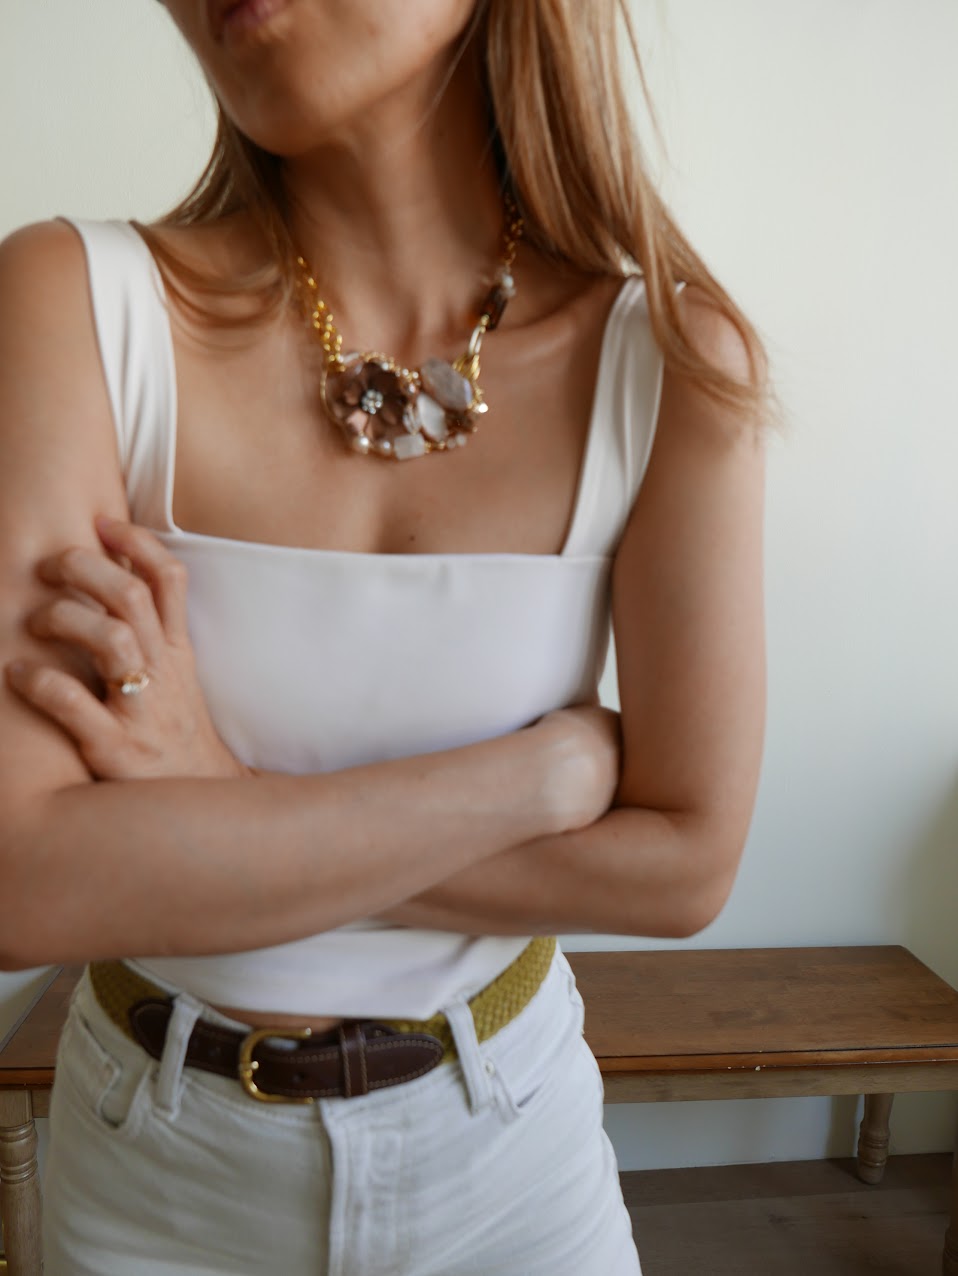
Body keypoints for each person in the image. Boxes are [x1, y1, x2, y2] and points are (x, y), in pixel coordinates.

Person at [0, 1, 769, 1272]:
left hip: (511, 1165)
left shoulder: (669, 363)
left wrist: (220, 801)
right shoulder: (70, 303)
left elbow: (685, 867)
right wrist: (535, 778)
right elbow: (26, 882)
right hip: (156, 1182)